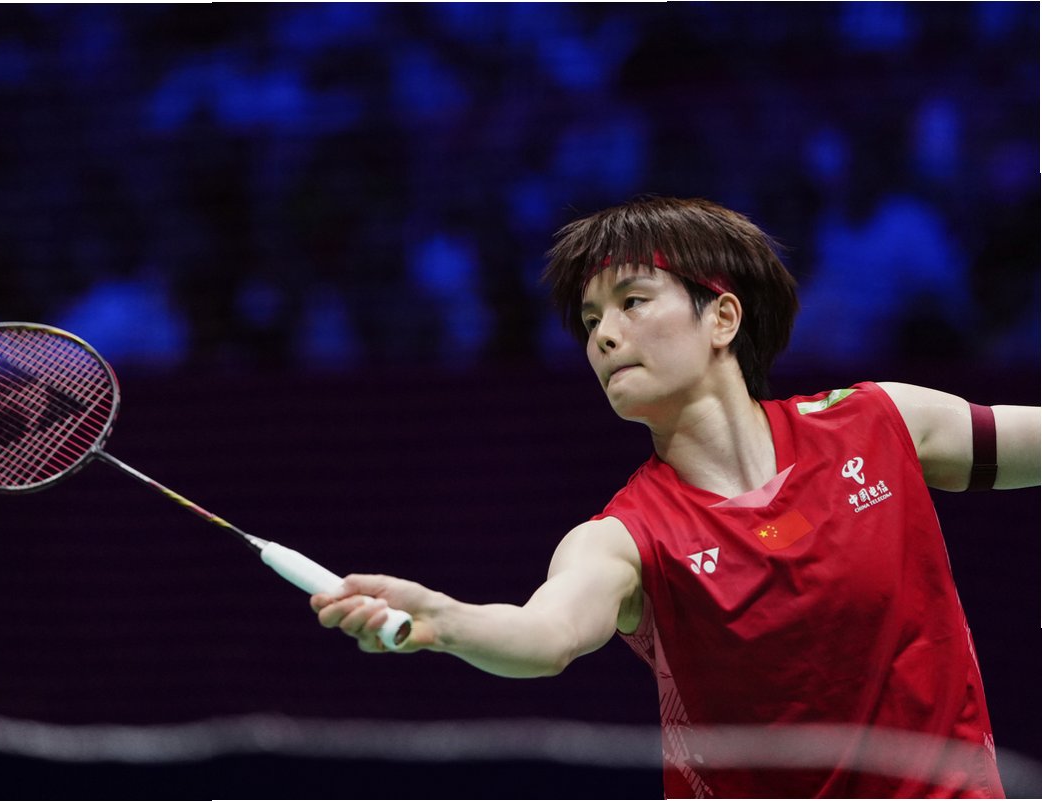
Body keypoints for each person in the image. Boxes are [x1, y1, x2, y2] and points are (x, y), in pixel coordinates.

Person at [310, 196, 1041, 798]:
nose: (603, 336)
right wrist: (448, 620)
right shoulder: (625, 538)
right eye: (590, 321)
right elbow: (546, 634)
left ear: (721, 318)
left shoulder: (880, 424)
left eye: (631, 302)